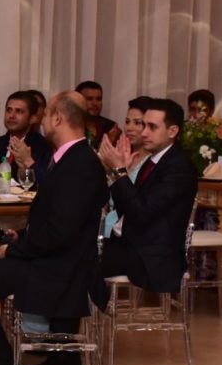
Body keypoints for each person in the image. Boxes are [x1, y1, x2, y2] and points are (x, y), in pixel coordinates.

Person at [0, 92, 107, 365]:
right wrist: (20, 236)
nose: (42, 121)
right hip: (51, 258)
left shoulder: (80, 164)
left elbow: (61, 233)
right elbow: (56, 221)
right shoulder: (72, 159)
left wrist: (15, 250)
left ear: (58, 118)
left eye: (46, 115)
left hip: (61, 269)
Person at [98, 98, 198, 298]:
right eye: (143, 125)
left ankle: (83, 313)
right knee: (75, 251)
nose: (143, 133)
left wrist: (120, 171)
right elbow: (124, 207)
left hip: (151, 255)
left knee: (77, 262)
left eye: (152, 127)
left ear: (172, 131)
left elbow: (141, 213)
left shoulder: (178, 167)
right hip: (130, 244)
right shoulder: (153, 160)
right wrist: (117, 172)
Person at [100, 96, 152, 238]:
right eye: (127, 122)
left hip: (132, 232)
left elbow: (138, 205)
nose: (129, 128)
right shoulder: (120, 155)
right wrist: (107, 168)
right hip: (109, 225)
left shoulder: (152, 163)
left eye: (137, 123)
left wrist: (120, 170)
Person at [0, 91, 52, 186]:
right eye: (9, 110)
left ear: (32, 118)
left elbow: (44, 185)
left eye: (19, 111)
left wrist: (25, 170)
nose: (11, 116)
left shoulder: (43, 147)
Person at [76, 80, 120, 150]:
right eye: (89, 99)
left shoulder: (110, 127)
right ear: (77, 101)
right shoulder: (72, 128)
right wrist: (107, 143)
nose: (95, 103)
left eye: (99, 99)